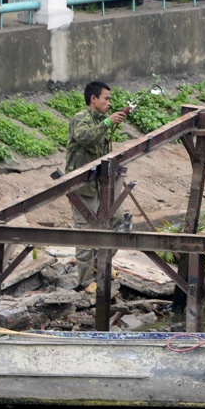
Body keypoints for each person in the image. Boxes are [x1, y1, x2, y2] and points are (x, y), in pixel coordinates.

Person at [66, 82, 130, 287]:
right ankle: (85, 281)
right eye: (106, 98)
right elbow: (85, 138)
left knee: (119, 220)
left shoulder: (102, 120)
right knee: (85, 231)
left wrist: (108, 124)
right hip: (82, 187)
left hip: (101, 185)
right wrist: (107, 124)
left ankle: (99, 263)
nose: (109, 103)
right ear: (93, 99)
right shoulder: (80, 118)